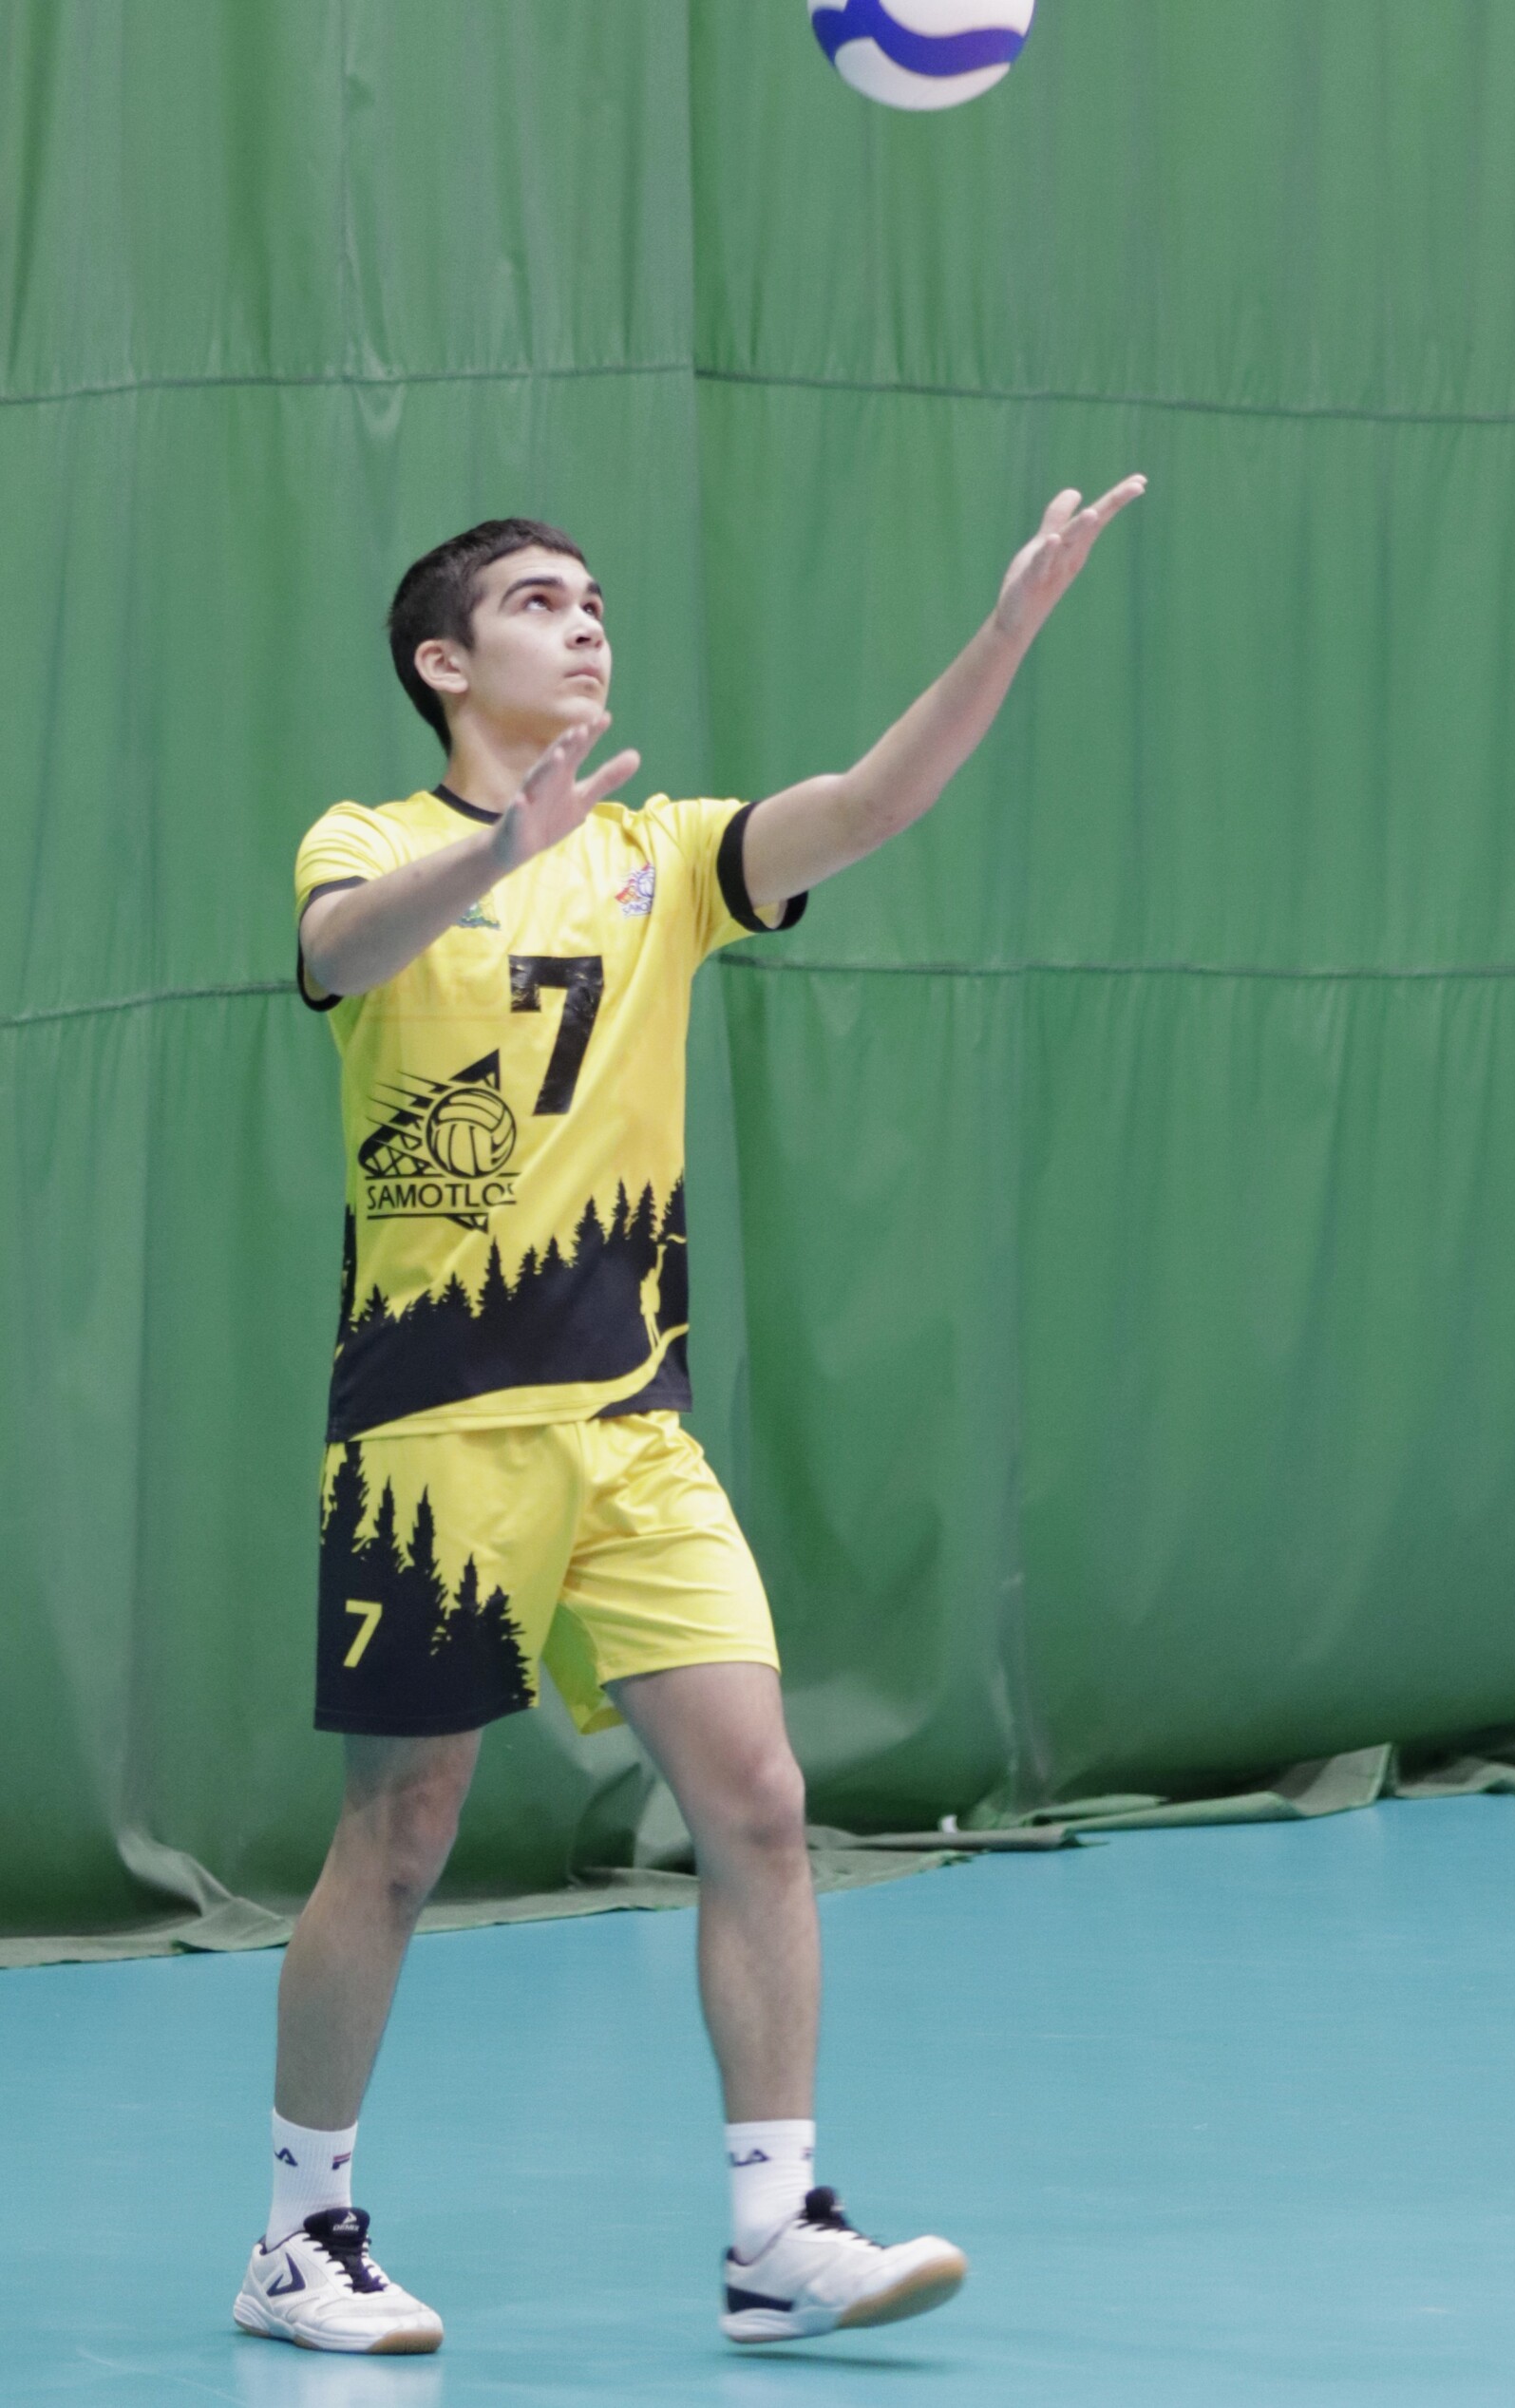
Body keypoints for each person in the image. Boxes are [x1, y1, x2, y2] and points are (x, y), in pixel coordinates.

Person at [234, 478, 1146, 2357]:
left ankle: (774, 2227)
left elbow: (871, 801)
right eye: (540, 603)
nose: (585, 625)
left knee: (760, 1800)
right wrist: (499, 855)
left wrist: (1005, 631)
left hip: (632, 1430)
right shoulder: (371, 832)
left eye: (595, 601)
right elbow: (338, 956)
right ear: (442, 660)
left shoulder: (666, 854)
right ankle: (299, 2231)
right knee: (399, 1835)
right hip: (434, 1437)